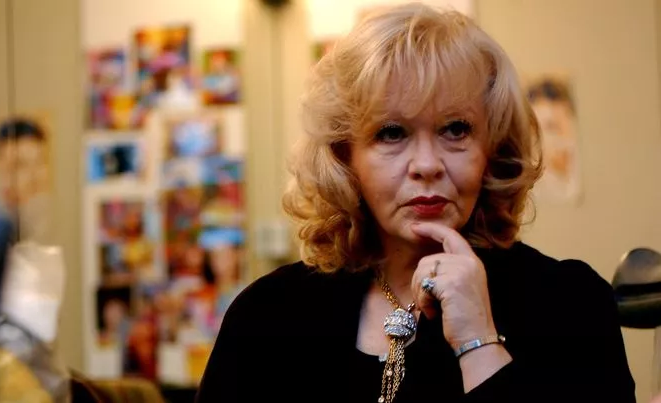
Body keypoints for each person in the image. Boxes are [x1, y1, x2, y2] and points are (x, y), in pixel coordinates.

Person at [195, 4, 635, 403]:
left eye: (456, 129)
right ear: (346, 156)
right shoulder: (268, 316)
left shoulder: (569, 305)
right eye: (391, 133)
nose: (427, 165)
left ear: (492, 149)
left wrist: (478, 342)